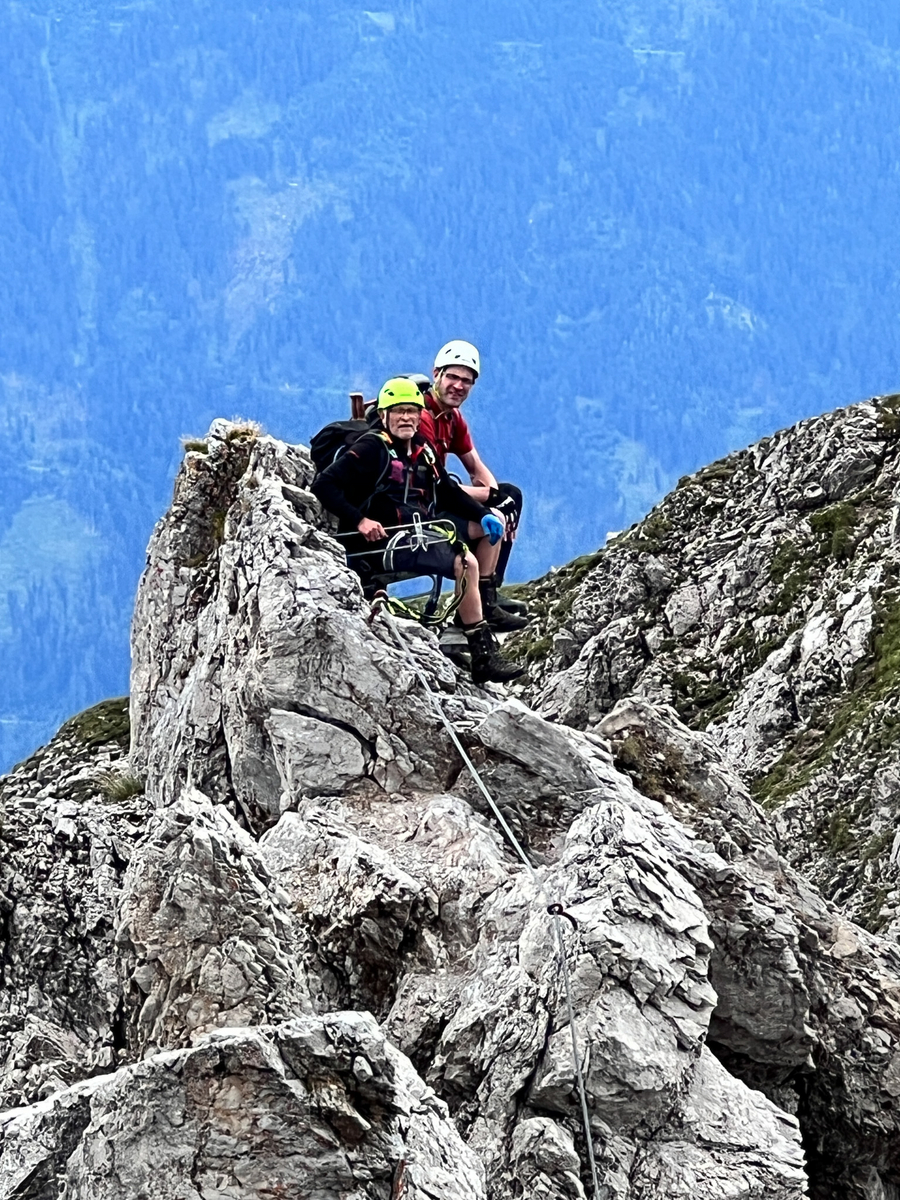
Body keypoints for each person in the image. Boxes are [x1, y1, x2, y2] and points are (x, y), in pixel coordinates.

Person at [311, 377, 524, 685]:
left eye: (412, 411)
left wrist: (482, 514)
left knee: (467, 559)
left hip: (413, 536)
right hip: (381, 545)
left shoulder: (421, 451)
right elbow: (325, 485)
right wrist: (360, 520)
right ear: (384, 415)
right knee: (465, 563)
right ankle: (482, 654)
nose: (406, 418)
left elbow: (446, 489)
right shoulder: (372, 447)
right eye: (398, 411)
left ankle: (478, 646)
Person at [417, 340, 527, 631]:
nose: (459, 386)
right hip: (426, 502)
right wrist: (491, 499)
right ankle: (475, 610)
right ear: (436, 374)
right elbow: (436, 486)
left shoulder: (451, 417)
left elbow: (475, 466)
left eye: (467, 381)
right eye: (452, 377)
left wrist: (498, 497)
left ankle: (488, 594)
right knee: (494, 518)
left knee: (510, 496)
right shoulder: (422, 417)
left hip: (442, 493)